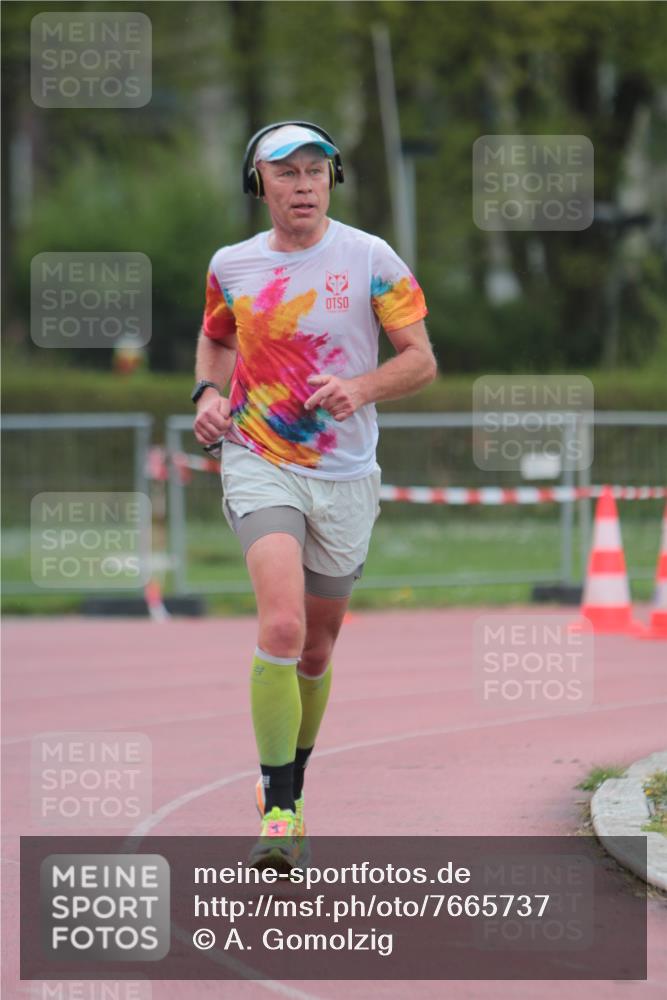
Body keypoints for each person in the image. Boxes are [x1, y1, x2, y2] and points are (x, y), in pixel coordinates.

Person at [192, 121, 436, 868]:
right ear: (257, 183)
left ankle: (291, 779)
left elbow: (421, 361)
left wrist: (359, 387)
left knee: (317, 648)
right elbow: (217, 338)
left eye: (315, 171)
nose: (302, 185)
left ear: (332, 180)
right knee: (282, 626)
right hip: (259, 457)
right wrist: (205, 390)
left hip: (345, 475)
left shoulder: (369, 258)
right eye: (286, 172)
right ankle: (280, 807)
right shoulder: (232, 265)